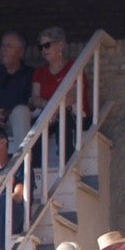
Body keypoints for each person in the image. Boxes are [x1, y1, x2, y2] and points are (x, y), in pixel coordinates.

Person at [30, 27, 90, 162]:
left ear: (61, 45)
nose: (44, 50)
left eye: (47, 45)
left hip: (71, 115)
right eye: (41, 47)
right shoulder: (40, 72)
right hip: (49, 115)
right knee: (35, 128)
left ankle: (67, 165)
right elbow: (35, 98)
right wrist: (49, 107)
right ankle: (37, 170)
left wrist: (54, 109)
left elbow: (74, 95)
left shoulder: (74, 67)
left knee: (66, 122)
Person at [0, 31, 32, 148]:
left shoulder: (30, 75)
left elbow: (32, 103)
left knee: (21, 111)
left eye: (8, 46)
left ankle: (23, 162)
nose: (3, 50)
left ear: (20, 52)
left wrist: (7, 112)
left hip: (15, 123)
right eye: (2, 45)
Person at [0, 123, 25, 250]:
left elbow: (19, 195)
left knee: (3, 200)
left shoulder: (17, 165)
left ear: (2, 143)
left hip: (13, 214)